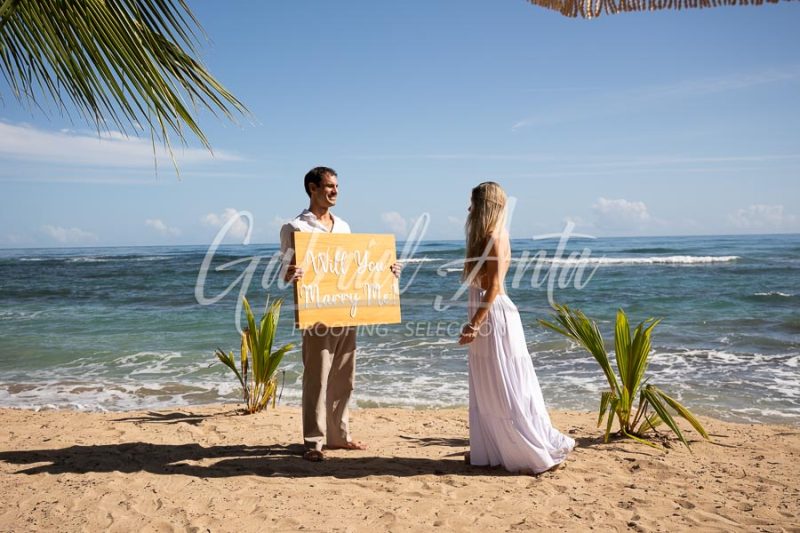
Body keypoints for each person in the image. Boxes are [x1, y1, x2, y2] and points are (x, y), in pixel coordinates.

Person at [280, 166, 400, 462]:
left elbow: (356, 267)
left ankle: (339, 436)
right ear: (312, 188)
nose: (335, 191)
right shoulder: (295, 227)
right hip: (316, 312)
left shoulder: (344, 226)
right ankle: (314, 441)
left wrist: (388, 272)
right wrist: (292, 273)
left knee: (344, 377)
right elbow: (284, 273)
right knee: (317, 377)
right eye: (329, 186)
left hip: (346, 310)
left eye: (336, 186)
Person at [458, 181, 574, 474]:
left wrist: (473, 324)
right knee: (490, 385)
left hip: (494, 317)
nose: (469, 208)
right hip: (489, 316)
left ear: (485, 205)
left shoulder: (494, 237)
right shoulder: (486, 235)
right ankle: (491, 451)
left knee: (505, 385)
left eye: (473, 203)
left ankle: (525, 450)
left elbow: (494, 287)